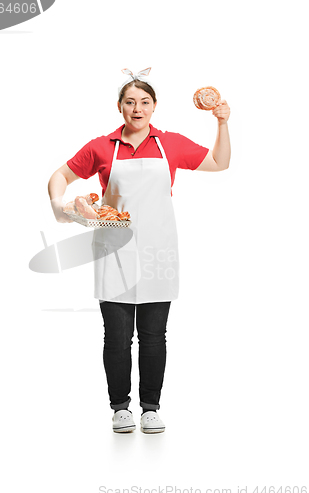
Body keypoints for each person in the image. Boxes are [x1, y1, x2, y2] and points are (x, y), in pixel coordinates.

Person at [48, 68, 231, 434]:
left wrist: (222, 124)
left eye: (144, 102)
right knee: (116, 337)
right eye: (130, 102)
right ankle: (120, 408)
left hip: (158, 251)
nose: (137, 108)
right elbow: (60, 176)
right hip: (114, 250)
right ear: (120, 107)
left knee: (153, 336)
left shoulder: (171, 143)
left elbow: (219, 162)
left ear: (154, 107)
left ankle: (150, 407)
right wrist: (58, 203)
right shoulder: (102, 146)